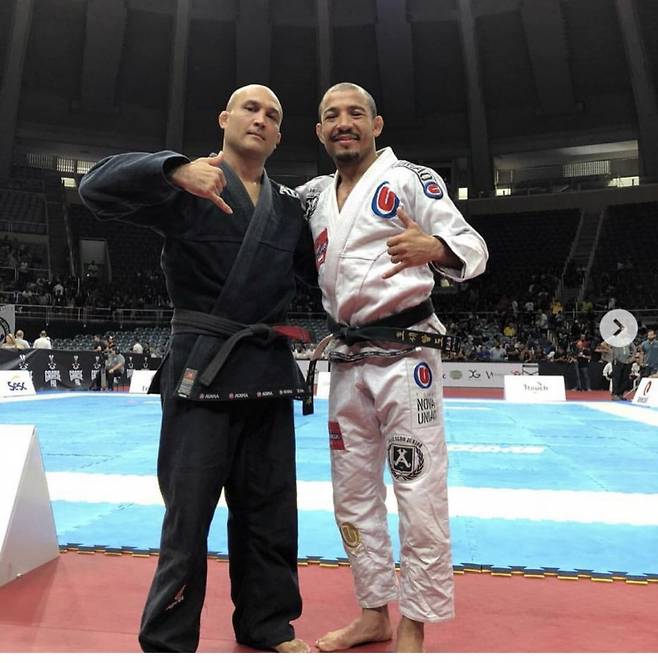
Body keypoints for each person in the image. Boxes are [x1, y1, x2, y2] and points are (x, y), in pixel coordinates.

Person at [79, 84, 314, 653]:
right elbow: (94, 187)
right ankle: (169, 636)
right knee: (188, 513)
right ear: (224, 119)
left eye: (273, 115)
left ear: (279, 136)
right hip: (202, 369)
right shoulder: (188, 186)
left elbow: (326, 275)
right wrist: (174, 169)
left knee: (269, 509)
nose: (260, 119)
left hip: (266, 371)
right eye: (250, 108)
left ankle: (267, 624)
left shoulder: (288, 209)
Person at [298, 82, 488, 652]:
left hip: (407, 360)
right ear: (319, 131)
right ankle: (374, 612)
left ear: (376, 125)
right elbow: (256, 198)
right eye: (332, 115)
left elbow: (474, 249)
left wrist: (436, 249)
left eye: (355, 113)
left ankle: (415, 622)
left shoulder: (410, 179)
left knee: (418, 490)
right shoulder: (313, 196)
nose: (344, 123)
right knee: (351, 495)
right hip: (346, 360)